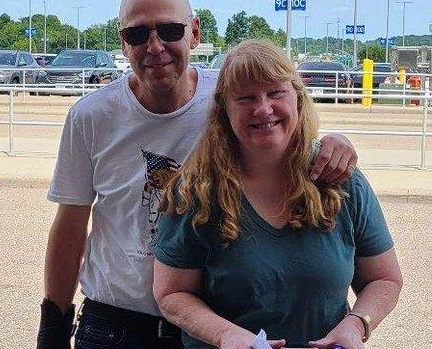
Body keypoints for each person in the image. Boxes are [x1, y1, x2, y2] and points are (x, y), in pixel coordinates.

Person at [37, 0, 358, 349]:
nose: (155, 47)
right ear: (123, 43)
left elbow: (282, 129)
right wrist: (53, 326)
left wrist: (335, 143)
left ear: (194, 32)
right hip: (116, 326)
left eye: (170, 30)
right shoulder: (91, 117)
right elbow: (70, 226)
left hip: (216, 327)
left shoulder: (230, 100)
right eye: (138, 34)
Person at [154, 39, 403, 349]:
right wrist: (225, 335)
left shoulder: (342, 182)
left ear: (297, 99)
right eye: (245, 98)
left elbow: (385, 279)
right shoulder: (195, 191)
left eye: (275, 92)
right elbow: (171, 293)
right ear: (224, 112)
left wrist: (357, 324)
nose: (263, 108)